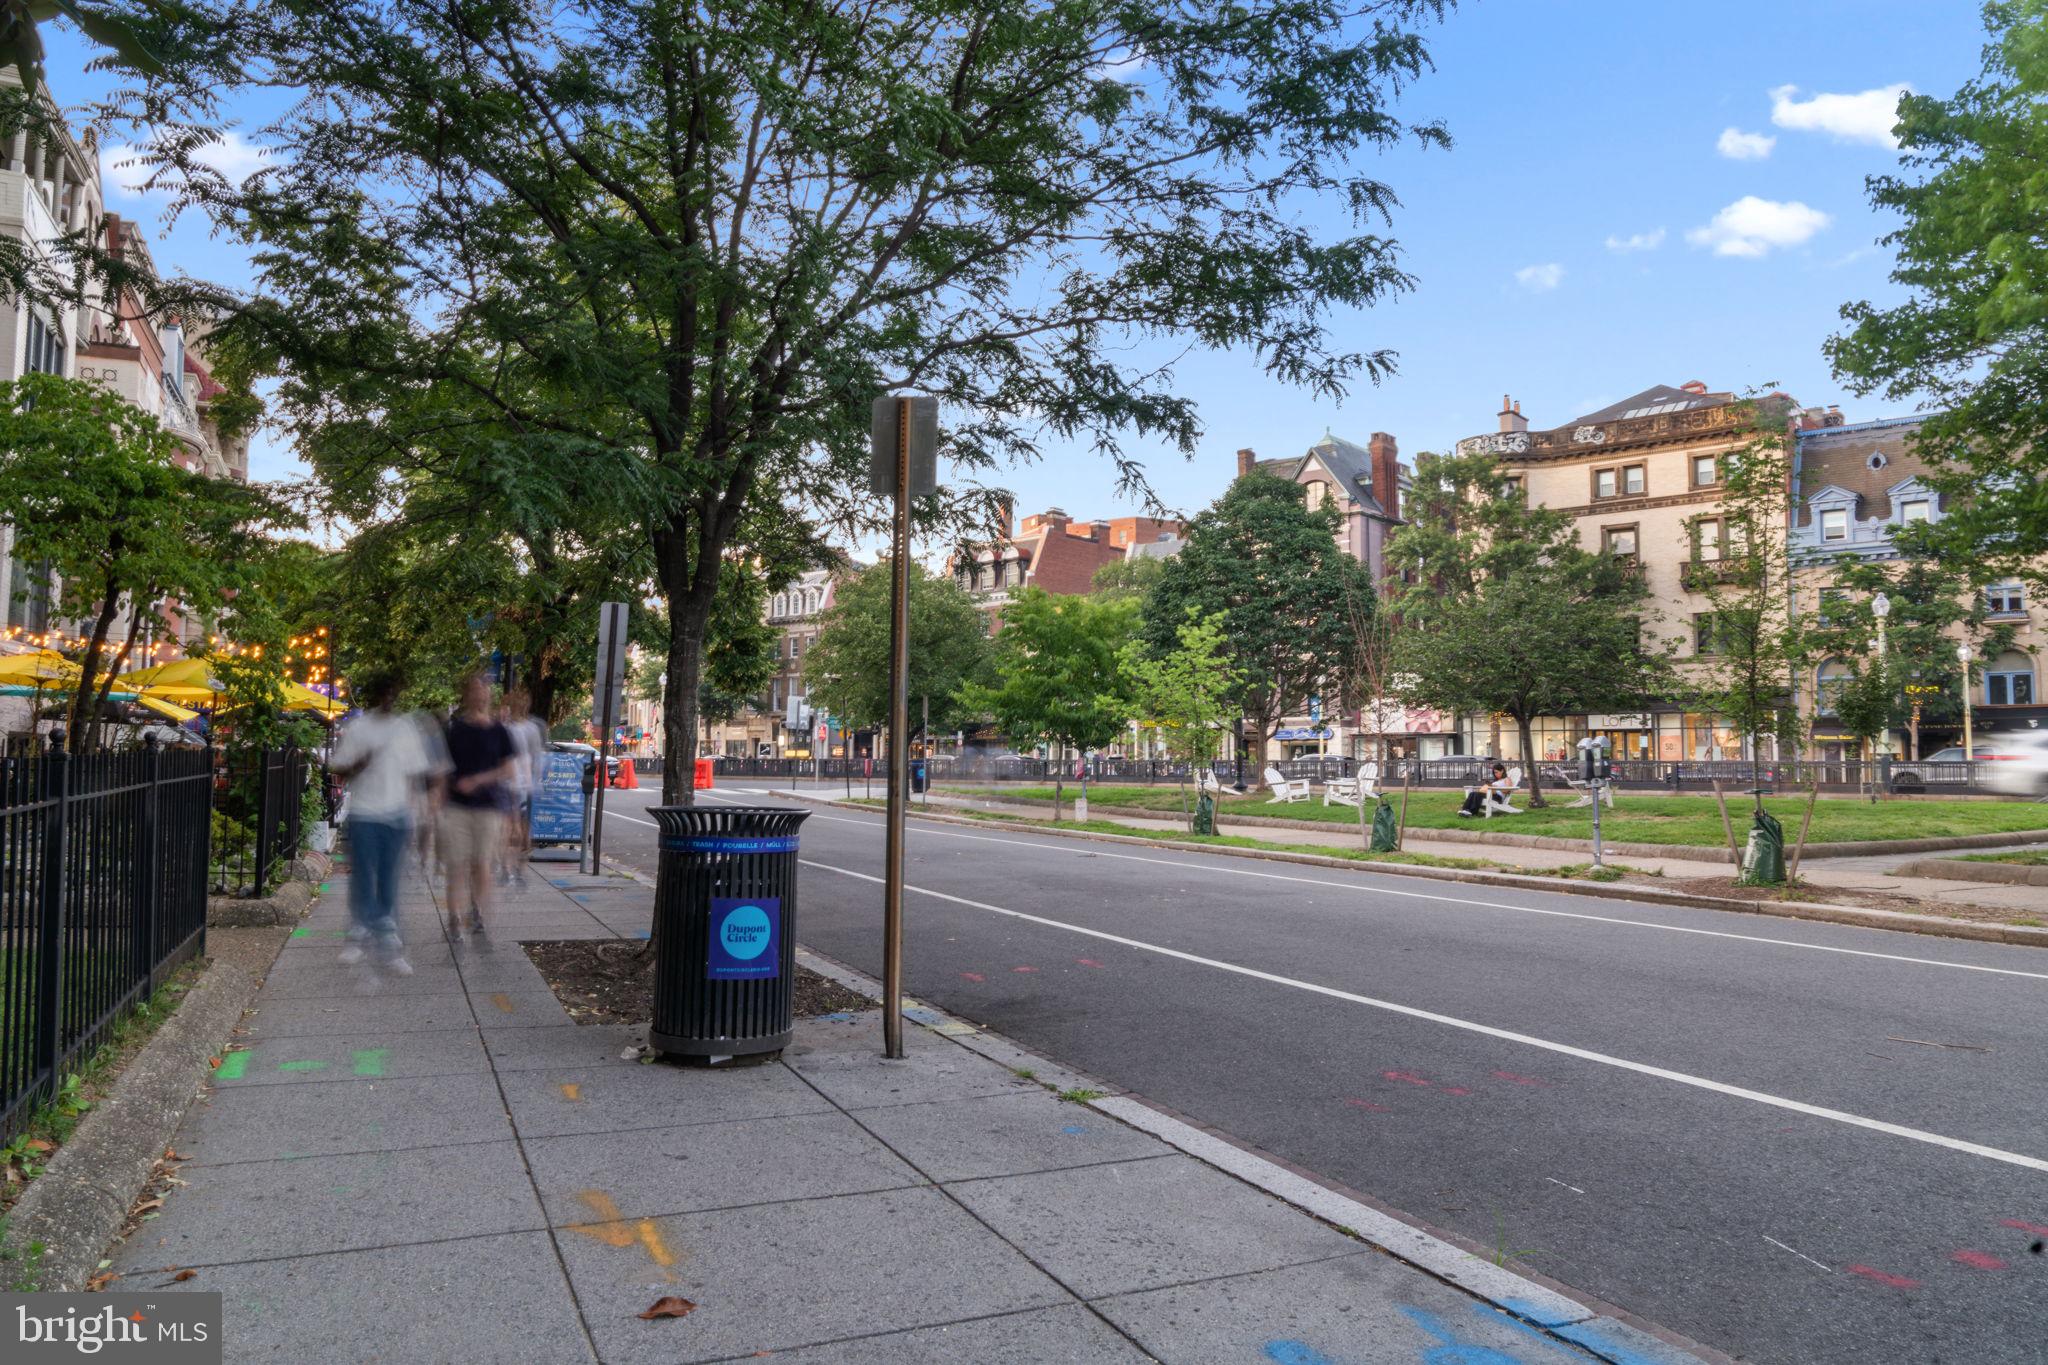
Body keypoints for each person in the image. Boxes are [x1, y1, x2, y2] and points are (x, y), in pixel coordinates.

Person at [329, 673, 431, 973]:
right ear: (375, 696)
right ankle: (359, 933)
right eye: (383, 693)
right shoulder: (359, 727)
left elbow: (415, 773)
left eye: (393, 693)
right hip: (364, 813)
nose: (389, 698)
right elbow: (339, 769)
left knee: (388, 878)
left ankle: (388, 939)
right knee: (363, 876)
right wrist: (361, 761)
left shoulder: (405, 728)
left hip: (396, 814)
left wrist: (417, 812)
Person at [440, 674, 515, 940]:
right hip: (457, 807)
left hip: (488, 806)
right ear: (466, 695)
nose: (478, 694)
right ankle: (454, 917)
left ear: (488, 695)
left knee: (481, 863)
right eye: (473, 689)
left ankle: (477, 912)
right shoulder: (455, 729)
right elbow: (443, 768)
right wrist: (436, 802)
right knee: (457, 864)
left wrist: (478, 779)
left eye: (482, 690)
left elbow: (509, 769)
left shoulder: (499, 731)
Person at [499, 687, 545, 888]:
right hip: (506, 783)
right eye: (519, 702)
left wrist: (535, 780)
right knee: (508, 828)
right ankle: (506, 868)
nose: (522, 705)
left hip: (525, 784)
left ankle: (518, 868)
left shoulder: (531, 728)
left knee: (522, 830)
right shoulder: (504, 728)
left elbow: (537, 757)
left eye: (524, 702)